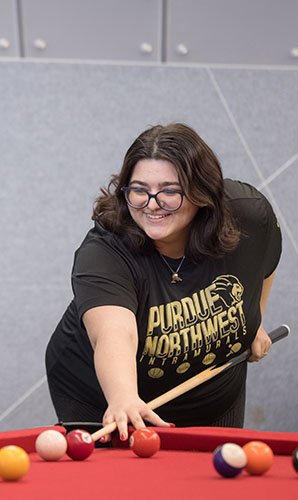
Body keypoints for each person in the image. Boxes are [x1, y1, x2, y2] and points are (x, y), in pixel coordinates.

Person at [45, 123, 281, 441]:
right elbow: (114, 333)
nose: (152, 204)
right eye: (139, 190)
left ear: (202, 192)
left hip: (213, 395)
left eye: (169, 191)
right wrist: (123, 396)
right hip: (101, 396)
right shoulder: (104, 251)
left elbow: (263, 264)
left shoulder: (248, 215)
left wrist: (254, 319)